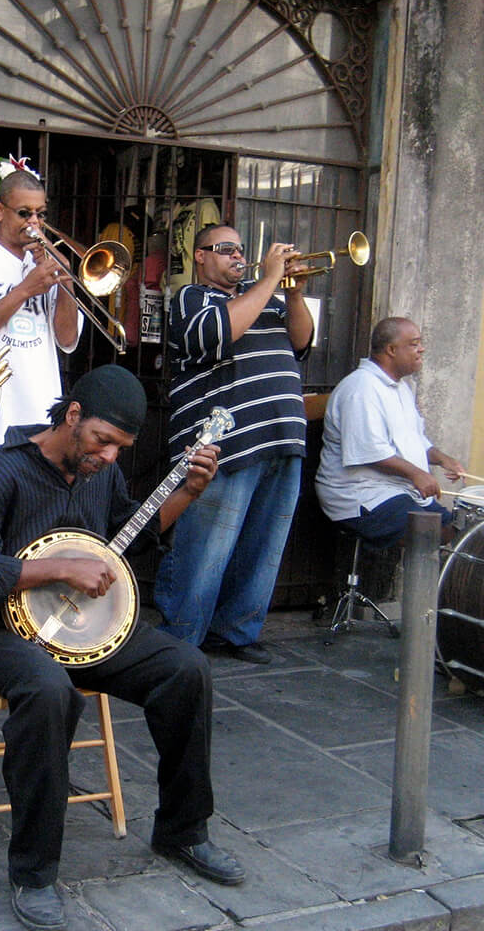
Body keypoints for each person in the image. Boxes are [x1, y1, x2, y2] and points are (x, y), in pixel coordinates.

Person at [0, 364, 244, 931]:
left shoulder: (101, 473)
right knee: (51, 692)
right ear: (72, 416)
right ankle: (33, 873)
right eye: (102, 441)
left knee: (186, 669)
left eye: (121, 448)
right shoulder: (3, 473)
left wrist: (189, 493)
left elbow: (132, 537)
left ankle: (183, 830)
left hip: (86, 631)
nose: (108, 457)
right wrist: (53, 569)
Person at [153, 223, 314, 664]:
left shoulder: (267, 298)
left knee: (263, 546)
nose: (237, 257)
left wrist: (294, 293)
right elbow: (216, 335)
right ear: (200, 256)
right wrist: (268, 280)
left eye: (240, 249)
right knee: (204, 547)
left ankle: (237, 632)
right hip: (222, 444)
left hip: (281, 436)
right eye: (225, 249)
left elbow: (301, 344)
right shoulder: (192, 299)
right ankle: (180, 638)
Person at [0, 163, 80, 484]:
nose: (34, 222)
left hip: (39, 424)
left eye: (41, 214)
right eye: (24, 213)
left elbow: (67, 339)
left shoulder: (44, 263)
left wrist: (66, 284)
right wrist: (26, 289)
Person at [316, 317, 465, 547]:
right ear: (392, 350)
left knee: (460, 535)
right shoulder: (361, 388)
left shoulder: (401, 387)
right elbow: (370, 453)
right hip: (360, 495)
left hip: (396, 491)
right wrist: (417, 474)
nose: (421, 349)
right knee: (431, 535)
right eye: (414, 344)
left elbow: (414, 441)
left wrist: (443, 459)